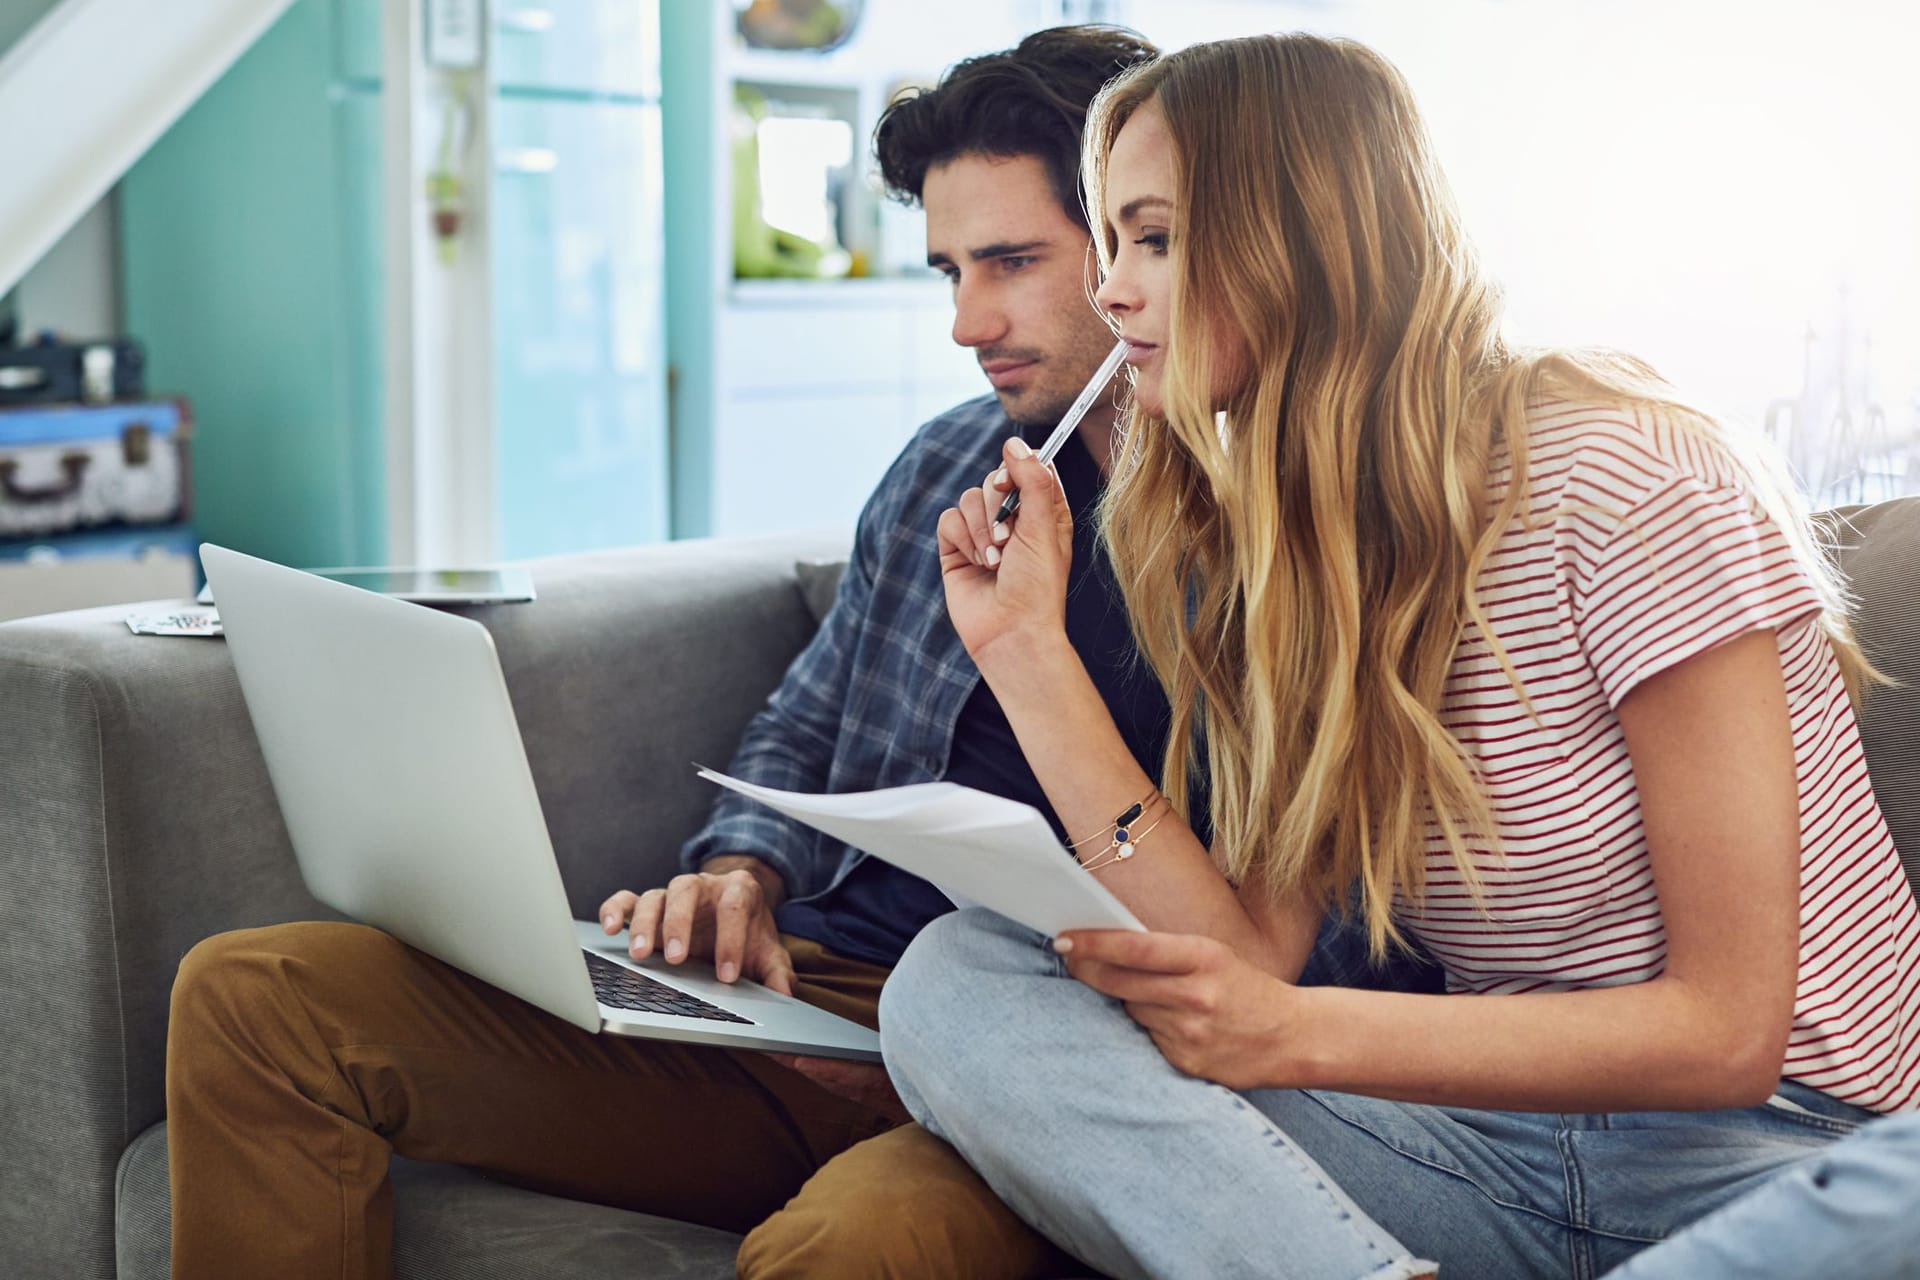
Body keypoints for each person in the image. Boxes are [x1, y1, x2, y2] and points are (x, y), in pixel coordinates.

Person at [878, 31, 1920, 1280]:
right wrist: (1024, 651)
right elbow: (1242, 951)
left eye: (1152, 238)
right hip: (1495, 1156)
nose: (1112, 290)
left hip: (1784, 1150)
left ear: (1299, 234)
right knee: (959, 977)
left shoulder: (1624, 474)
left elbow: (1727, 1031)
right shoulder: (1295, 550)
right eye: (1110, 243)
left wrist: (1293, 1032)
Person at [161, 26, 1160, 1280]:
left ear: (1141, 242)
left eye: (1011, 261)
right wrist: (740, 876)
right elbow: (802, 725)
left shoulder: (1285, 545)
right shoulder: (942, 470)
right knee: (258, 998)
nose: (968, 318)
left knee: (845, 1250)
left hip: (1048, 1050)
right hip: (825, 995)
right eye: (949, 269)